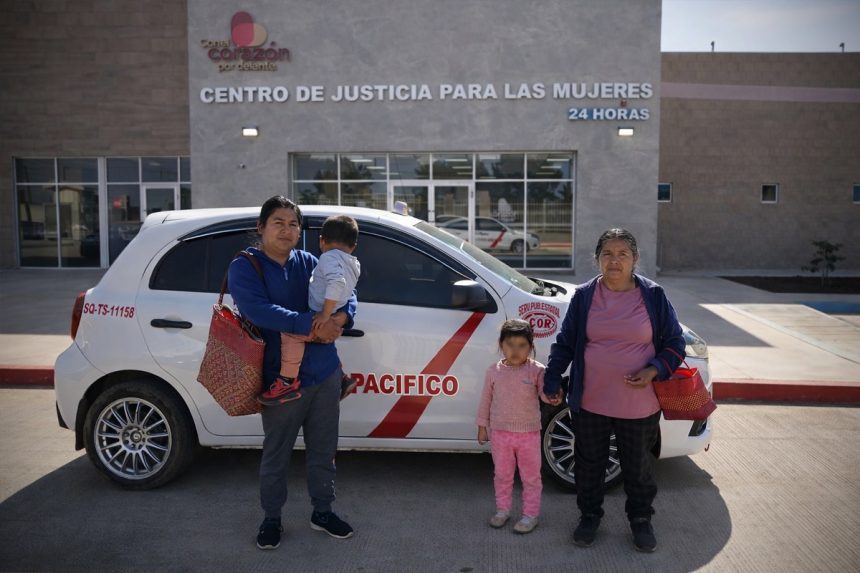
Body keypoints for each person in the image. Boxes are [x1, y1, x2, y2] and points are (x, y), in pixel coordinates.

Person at [542, 228, 685, 553]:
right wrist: (552, 379)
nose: (614, 261)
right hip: (590, 401)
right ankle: (589, 517)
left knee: (638, 467)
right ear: (597, 259)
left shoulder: (653, 295)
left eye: (622, 254)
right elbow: (565, 343)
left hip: (639, 405)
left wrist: (654, 369)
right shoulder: (584, 296)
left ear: (635, 259)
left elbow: (675, 343)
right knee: (589, 464)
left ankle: (641, 520)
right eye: (607, 254)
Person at [228, 196, 357, 550]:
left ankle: (323, 511)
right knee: (277, 454)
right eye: (278, 223)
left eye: (293, 224)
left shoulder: (310, 261)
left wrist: (341, 317)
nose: (287, 230)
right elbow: (258, 310)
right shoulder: (245, 266)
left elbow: (347, 289)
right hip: (281, 381)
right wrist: (312, 325)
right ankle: (272, 518)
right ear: (261, 227)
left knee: (324, 450)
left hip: (325, 374)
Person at [258, 214, 362, 405]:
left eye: (292, 224)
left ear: (322, 241)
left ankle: (287, 382)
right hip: (333, 315)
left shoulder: (328, 258)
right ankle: (341, 376)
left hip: (322, 315)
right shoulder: (354, 263)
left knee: (291, 337)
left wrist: (325, 314)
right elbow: (348, 288)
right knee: (323, 342)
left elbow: (338, 283)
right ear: (353, 246)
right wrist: (340, 315)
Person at [476, 319, 561, 534]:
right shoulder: (493, 371)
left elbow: (544, 394)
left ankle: (530, 515)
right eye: (510, 344)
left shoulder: (537, 370)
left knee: (531, 477)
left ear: (531, 347)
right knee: (502, 475)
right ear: (501, 345)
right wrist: (482, 426)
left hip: (529, 435)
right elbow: (486, 400)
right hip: (500, 434)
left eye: (522, 345)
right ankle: (502, 510)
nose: (515, 350)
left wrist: (553, 397)